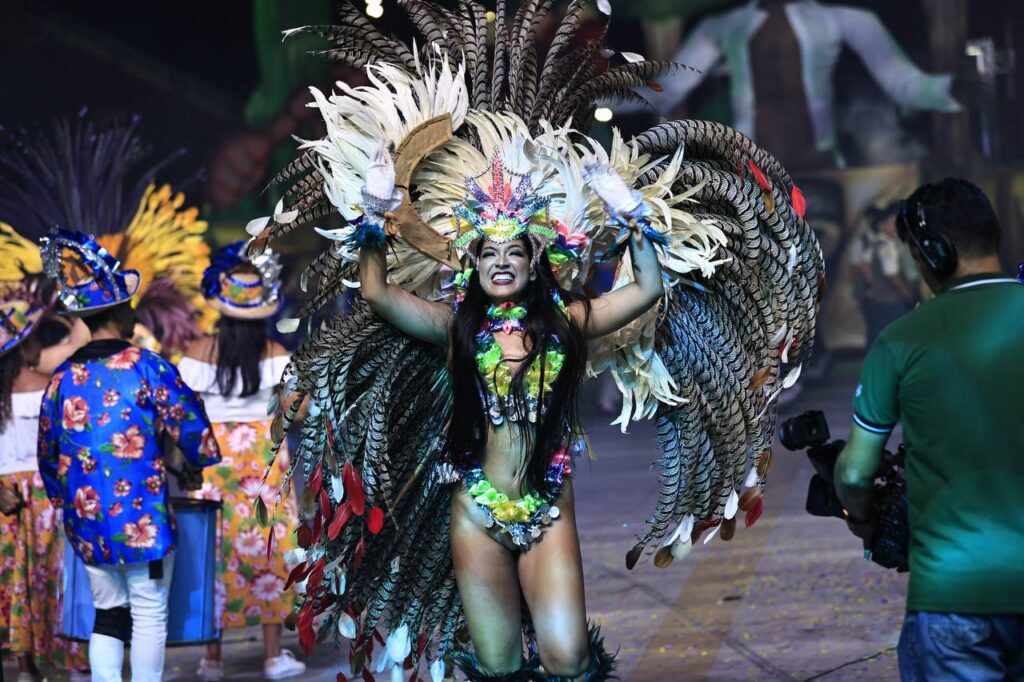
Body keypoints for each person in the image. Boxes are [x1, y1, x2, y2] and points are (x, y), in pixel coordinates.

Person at [244, 5, 820, 679]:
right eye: (487, 254)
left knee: (568, 657)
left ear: (532, 259)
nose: (500, 263)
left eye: (513, 252)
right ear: (472, 263)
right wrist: (374, 220)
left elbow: (641, 294)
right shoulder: (455, 330)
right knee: (495, 666)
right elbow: (375, 293)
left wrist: (636, 222)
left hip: (547, 508)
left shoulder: (566, 322)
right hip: (475, 511)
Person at [834, 179, 1024, 681]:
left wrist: (859, 515)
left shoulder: (900, 341)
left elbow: (855, 470)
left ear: (933, 253)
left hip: (954, 599)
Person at [36, 230, 221, 682]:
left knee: (108, 615)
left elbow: (48, 452)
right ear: (122, 310)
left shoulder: (63, 378)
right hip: (144, 518)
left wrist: (66, 501)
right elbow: (191, 425)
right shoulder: (147, 365)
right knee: (149, 612)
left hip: (88, 519)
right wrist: (195, 463)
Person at [181, 242, 305, 680]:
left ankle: (211, 660)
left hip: (216, 460)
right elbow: (298, 411)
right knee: (269, 552)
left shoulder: (196, 353)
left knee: (213, 553)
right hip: (264, 459)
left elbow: (182, 416)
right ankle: (273, 656)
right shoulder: (274, 354)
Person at [0, 299, 89, 681]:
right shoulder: (47, 385)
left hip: (3, 491)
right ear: (25, 344)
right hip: (44, 489)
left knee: (14, 577)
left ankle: (24, 665)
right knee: (57, 575)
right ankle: (68, 658)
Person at [849, 202, 918, 346]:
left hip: (875, 298)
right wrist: (907, 295)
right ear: (880, 224)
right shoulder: (883, 244)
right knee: (890, 337)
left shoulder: (873, 242)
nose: (896, 227)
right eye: (893, 223)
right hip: (889, 301)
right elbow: (890, 275)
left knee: (876, 336)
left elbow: (859, 268)